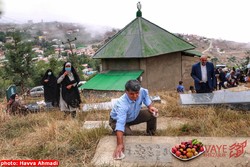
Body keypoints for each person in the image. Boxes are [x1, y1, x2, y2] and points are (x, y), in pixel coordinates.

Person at [109, 79, 158, 159]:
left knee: (152, 115)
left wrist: (150, 107)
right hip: (116, 120)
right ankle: (116, 132)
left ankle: (151, 134)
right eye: (131, 94)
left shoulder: (141, 91)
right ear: (126, 92)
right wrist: (120, 144)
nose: (135, 96)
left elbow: (145, 97)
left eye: (137, 93)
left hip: (133, 116)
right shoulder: (122, 104)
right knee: (128, 135)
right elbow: (120, 123)